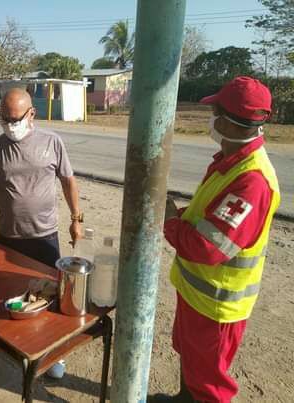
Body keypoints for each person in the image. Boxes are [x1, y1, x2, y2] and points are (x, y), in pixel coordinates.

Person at [151, 77, 281, 403]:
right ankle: (184, 398)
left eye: (215, 112)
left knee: (210, 383)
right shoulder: (228, 160)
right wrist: (181, 216)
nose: (211, 118)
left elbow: (208, 247)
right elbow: (208, 216)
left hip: (218, 306)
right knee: (189, 356)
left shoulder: (252, 181)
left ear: (227, 122)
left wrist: (168, 222)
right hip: (197, 293)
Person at [0, 88, 83, 378]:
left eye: (15, 119)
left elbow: (68, 182)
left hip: (45, 236)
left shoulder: (52, 142)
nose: (9, 124)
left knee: (51, 296)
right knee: (12, 293)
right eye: (4, 119)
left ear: (31, 114)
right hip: (9, 237)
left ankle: (51, 356)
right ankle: (19, 345)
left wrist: (76, 219)